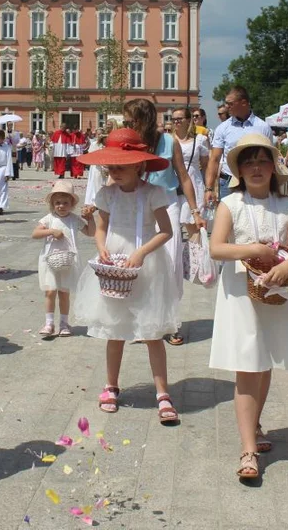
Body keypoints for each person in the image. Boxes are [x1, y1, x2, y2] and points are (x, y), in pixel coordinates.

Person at [208, 133, 288, 480]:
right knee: (246, 365)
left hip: (276, 291)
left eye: (262, 161)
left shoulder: (286, 205)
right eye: (248, 162)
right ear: (239, 169)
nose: (256, 167)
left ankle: (253, 426)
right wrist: (252, 250)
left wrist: (285, 266)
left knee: (264, 361)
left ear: (273, 166)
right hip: (240, 294)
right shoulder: (230, 204)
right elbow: (217, 248)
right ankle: (248, 450)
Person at [74, 128, 181, 425]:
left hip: (146, 260)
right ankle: (111, 385)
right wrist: (100, 247)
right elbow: (102, 227)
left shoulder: (153, 193)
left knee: (151, 330)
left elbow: (166, 231)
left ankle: (162, 392)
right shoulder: (106, 194)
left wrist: (142, 253)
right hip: (115, 260)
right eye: (110, 167)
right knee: (114, 327)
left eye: (121, 166)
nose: (115, 172)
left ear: (138, 165)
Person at [125, 98, 204, 346]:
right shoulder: (130, 141)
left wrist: (194, 210)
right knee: (140, 262)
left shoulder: (169, 142)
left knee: (170, 265)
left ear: (143, 119)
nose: (127, 123)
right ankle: (142, 322)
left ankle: (171, 322)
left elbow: (184, 177)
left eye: (131, 119)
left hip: (167, 204)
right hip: (138, 205)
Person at [33, 179, 96, 337]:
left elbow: (91, 232)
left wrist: (90, 218)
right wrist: (50, 231)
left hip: (68, 261)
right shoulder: (48, 219)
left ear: (72, 204)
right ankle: (49, 323)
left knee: (64, 293)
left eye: (65, 203)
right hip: (49, 260)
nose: (61, 206)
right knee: (50, 291)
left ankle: (64, 322)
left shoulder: (74, 220)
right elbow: (35, 234)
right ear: (53, 204)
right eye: (58, 203)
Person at [206, 86, 274, 206]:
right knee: (229, 221)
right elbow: (214, 159)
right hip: (229, 182)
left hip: (256, 181)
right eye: (226, 103)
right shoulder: (223, 128)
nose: (227, 107)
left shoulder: (263, 127)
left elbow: (270, 158)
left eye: (230, 103)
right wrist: (209, 189)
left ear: (243, 103)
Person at [172, 106, 210, 232]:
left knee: (194, 225)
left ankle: (197, 251)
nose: (176, 121)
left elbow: (206, 166)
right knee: (172, 226)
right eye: (174, 119)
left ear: (188, 120)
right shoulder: (168, 140)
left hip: (194, 182)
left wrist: (209, 188)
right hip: (173, 184)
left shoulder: (200, 140)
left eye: (179, 119)